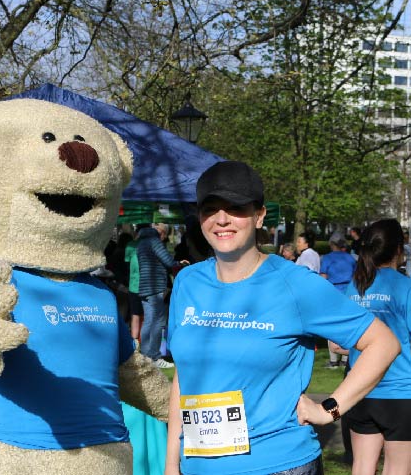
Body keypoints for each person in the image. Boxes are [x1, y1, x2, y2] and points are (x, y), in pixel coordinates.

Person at [165, 161, 400, 475]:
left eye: (235, 208)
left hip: (277, 464)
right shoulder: (187, 282)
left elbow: (382, 343)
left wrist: (329, 408)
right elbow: (185, 376)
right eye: (211, 209)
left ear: (259, 215)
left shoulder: (295, 284)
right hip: (198, 465)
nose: (222, 219)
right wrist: (170, 464)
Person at [343, 219, 411, 475]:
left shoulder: (355, 286)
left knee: (361, 466)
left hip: (359, 389)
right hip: (400, 392)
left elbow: (340, 341)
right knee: (398, 468)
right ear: (398, 250)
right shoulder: (404, 287)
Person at [137, 223, 179, 368]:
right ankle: (154, 356)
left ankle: (144, 355)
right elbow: (168, 261)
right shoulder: (154, 241)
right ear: (161, 232)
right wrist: (180, 263)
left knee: (148, 321)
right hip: (156, 286)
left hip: (144, 287)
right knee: (159, 322)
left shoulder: (141, 242)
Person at [320, 232, 358, 370]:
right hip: (349, 293)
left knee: (331, 325)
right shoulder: (351, 258)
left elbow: (323, 277)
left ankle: (333, 360)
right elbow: (356, 277)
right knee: (347, 325)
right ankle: (345, 359)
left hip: (333, 292)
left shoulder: (327, 258)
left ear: (331, 244)